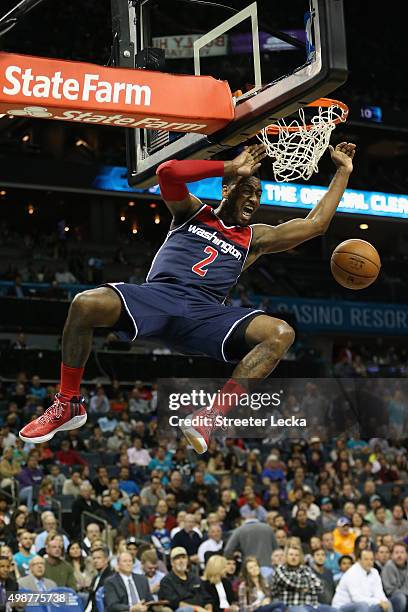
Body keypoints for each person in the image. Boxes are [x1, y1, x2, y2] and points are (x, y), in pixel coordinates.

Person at [18, 142, 356, 452]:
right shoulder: (191, 212)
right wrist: (229, 166)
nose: (254, 199)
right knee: (84, 304)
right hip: (158, 297)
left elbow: (315, 225)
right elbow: (167, 172)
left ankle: (211, 416)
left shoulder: (255, 239)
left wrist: (343, 170)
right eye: (248, 189)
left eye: (259, 195)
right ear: (227, 188)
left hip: (204, 314)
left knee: (281, 333)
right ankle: (68, 403)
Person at [158, 546, 211, 611]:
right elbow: (175, 603)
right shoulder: (166, 581)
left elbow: (207, 599)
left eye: (183, 558)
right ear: (172, 562)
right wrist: (196, 609)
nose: (181, 561)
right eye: (177, 558)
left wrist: (209, 609)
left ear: (187, 560)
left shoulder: (195, 578)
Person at [84, 545, 114, 612]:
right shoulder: (95, 578)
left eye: (98, 558)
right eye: (94, 558)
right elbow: (91, 601)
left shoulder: (111, 578)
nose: (95, 561)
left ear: (106, 560)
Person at [381, 542, 408, 612]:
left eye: (402, 552)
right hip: (390, 597)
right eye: (396, 552)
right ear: (392, 555)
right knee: (401, 598)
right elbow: (391, 590)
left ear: (406, 555)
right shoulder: (389, 566)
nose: (399, 555)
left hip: (405, 594)